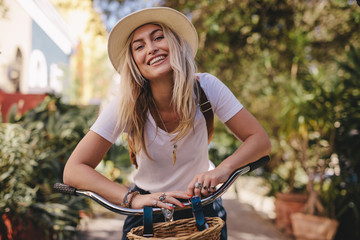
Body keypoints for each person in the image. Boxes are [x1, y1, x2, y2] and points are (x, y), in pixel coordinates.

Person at [63, 7, 271, 240]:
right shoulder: (126, 104)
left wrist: (222, 170)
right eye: (139, 46)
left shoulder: (207, 88)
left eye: (158, 37)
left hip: (203, 205)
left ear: (175, 44)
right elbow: (73, 170)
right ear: (134, 62)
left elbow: (260, 141)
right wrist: (133, 199)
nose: (151, 48)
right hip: (146, 212)